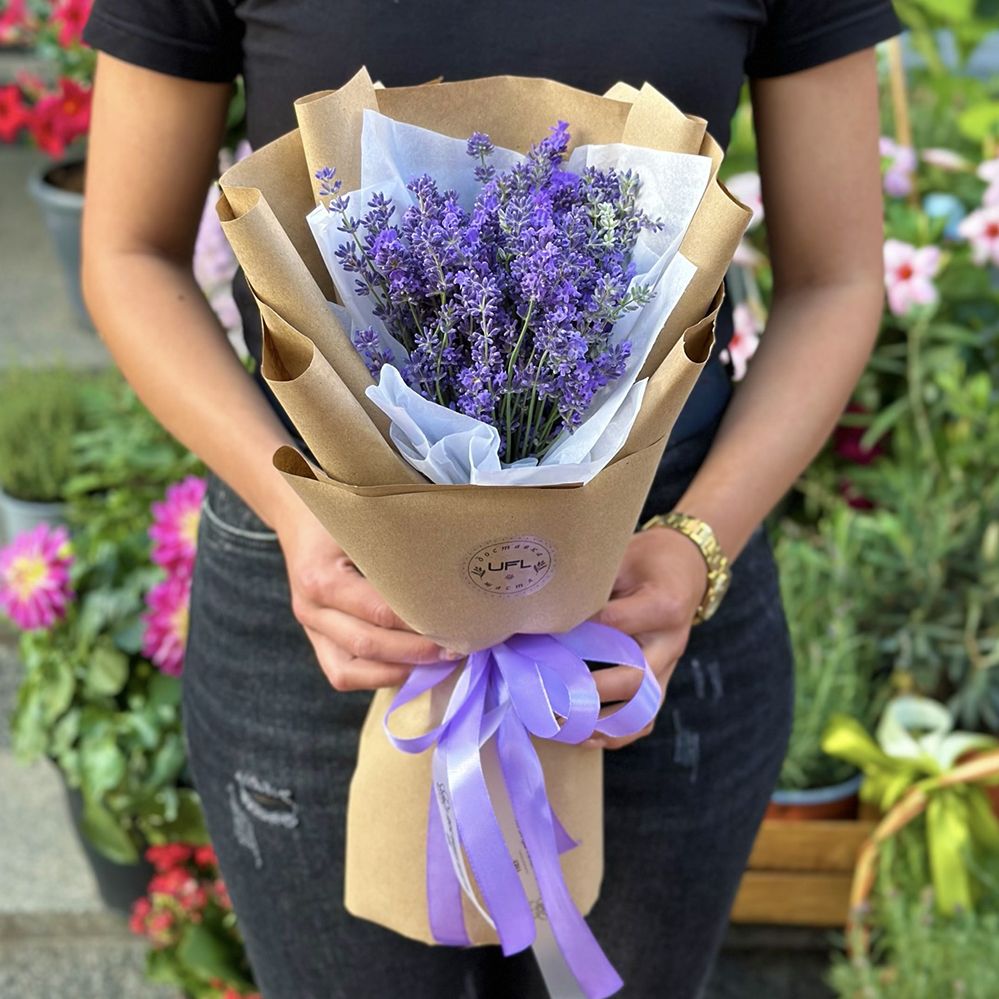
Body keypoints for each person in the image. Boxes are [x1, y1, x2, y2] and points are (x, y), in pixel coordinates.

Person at [80, 3, 899, 996]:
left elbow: (839, 278)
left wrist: (697, 546)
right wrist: (299, 511)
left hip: (651, 600)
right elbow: (129, 252)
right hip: (331, 594)